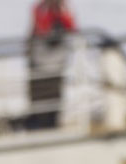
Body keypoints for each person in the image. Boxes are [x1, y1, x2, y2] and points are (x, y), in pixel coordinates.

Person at [26, 0, 77, 129]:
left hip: (56, 64)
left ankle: (52, 121)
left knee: (54, 93)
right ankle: (39, 121)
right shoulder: (41, 8)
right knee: (39, 93)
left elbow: (71, 28)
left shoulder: (63, 9)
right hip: (40, 63)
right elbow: (41, 29)